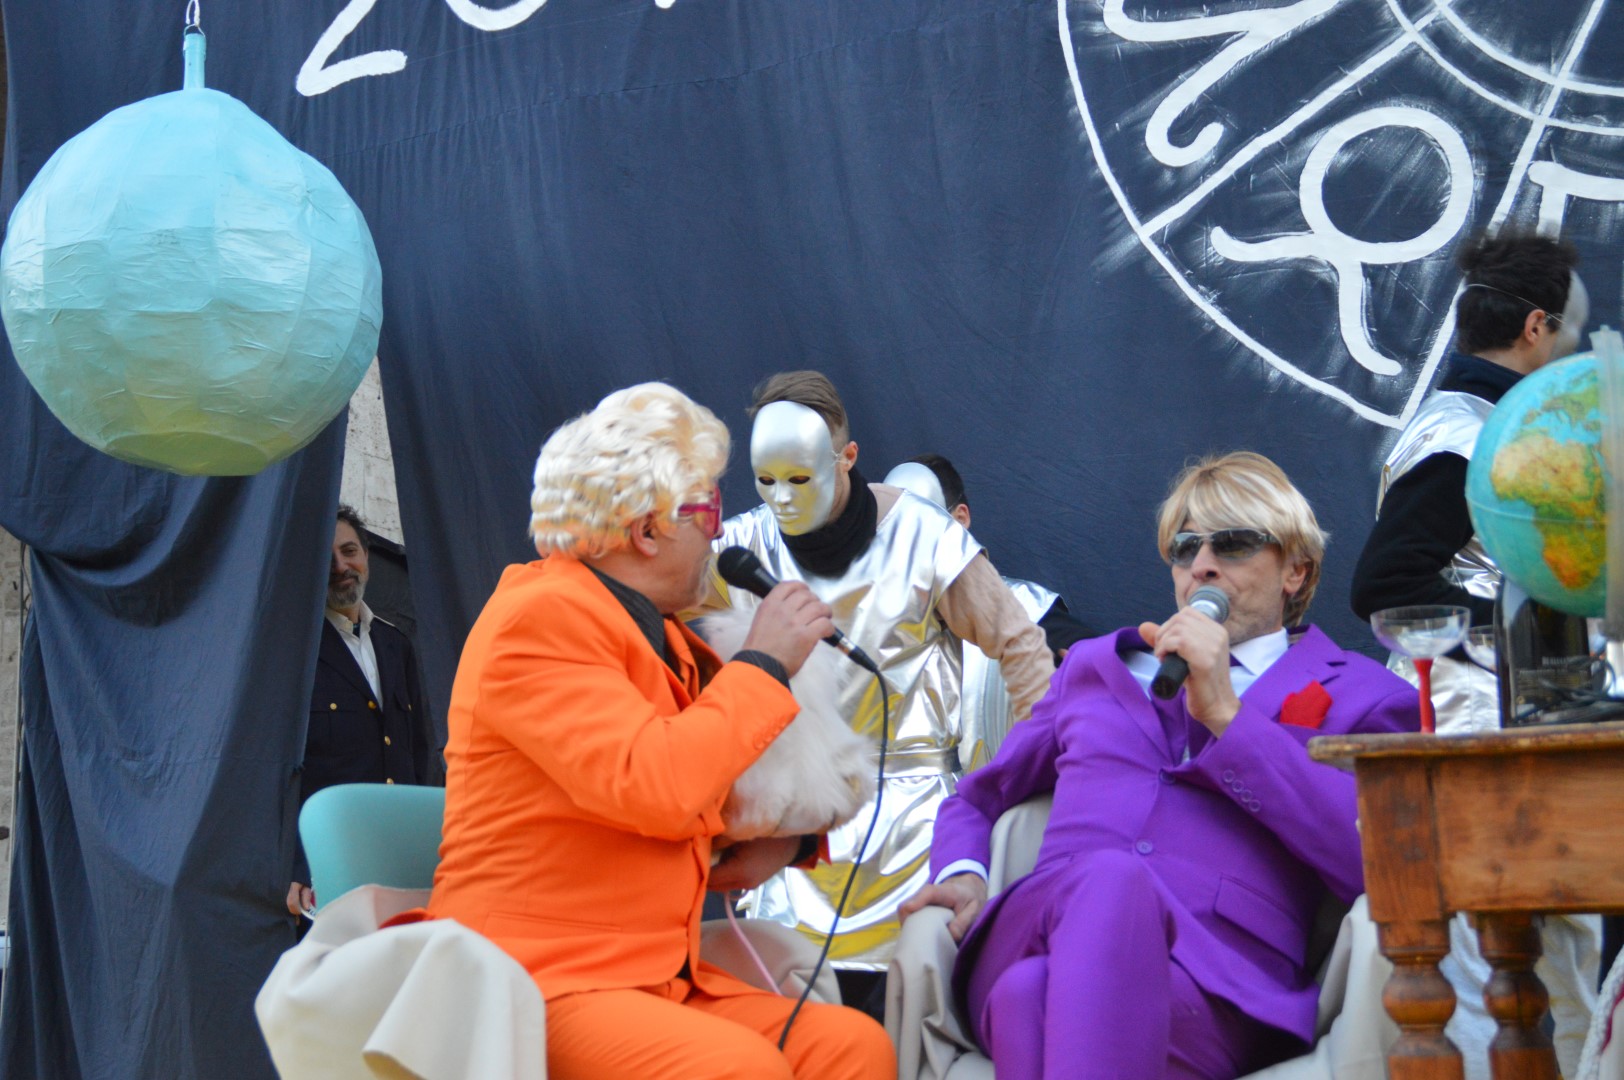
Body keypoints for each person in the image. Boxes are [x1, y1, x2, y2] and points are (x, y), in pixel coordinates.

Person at [423, 382, 894, 1080]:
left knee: (852, 1047)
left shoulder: (664, 637)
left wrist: (787, 843)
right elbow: (655, 784)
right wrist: (764, 662)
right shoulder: (538, 616)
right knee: (741, 1069)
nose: (720, 533)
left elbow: (701, 784)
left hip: (650, 977)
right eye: (709, 510)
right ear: (647, 531)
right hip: (534, 981)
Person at [901, 451, 1419, 1079]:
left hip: (1215, 988)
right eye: (1185, 548)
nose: (1202, 565)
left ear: (1295, 570)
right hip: (1039, 924)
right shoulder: (1095, 667)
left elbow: (1382, 861)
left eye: (1233, 544)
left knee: (1027, 996)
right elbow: (978, 797)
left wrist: (1229, 717)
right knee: (1110, 881)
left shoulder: (1367, 696)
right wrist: (962, 872)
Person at [699, 371, 1055, 983]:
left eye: (799, 479)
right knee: (797, 1016)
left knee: (911, 1010)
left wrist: (1026, 786)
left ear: (846, 458)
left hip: (917, 831)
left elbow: (1021, 647)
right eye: (765, 480)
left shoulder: (924, 534)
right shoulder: (739, 549)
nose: (781, 500)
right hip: (794, 838)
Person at [1351, 232, 1600, 1077]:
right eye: (1566, 331)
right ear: (1535, 327)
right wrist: (1537, 624)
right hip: (1470, 727)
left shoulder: (1497, 428)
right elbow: (1385, 584)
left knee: (1559, 960)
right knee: (1491, 972)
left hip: (1525, 724)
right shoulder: (1461, 435)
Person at [884, 453, 1092, 769]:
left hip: (1001, 798)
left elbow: (1115, 677)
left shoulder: (1027, 610)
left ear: (959, 520)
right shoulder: (875, 625)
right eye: (892, 535)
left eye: (919, 530)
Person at [287, 505, 434, 916]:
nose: (341, 567)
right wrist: (299, 864)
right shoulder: (298, 650)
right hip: (330, 864)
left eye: (349, 551)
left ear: (367, 556)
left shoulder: (395, 644)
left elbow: (417, 755)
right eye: (327, 557)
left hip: (399, 859)